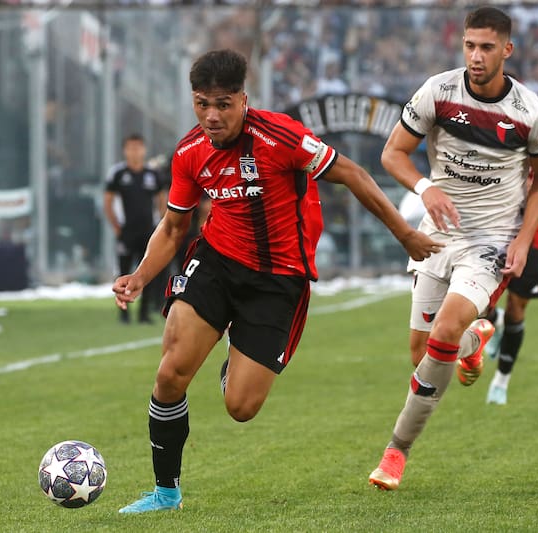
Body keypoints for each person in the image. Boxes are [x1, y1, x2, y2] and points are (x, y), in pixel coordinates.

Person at [112, 48, 440, 513]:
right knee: (170, 373)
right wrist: (140, 276)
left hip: (279, 280)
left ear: (244, 100)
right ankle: (166, 492)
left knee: (241, 408)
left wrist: (405, 234)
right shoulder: (188, 153)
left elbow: (353, 174)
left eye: (223, 104)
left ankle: (235, 359)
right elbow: (172, 227)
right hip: (217, 262)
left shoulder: (280, 136)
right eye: (202, 103)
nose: (212, 115)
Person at [368, 6, 538, 491]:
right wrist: (425, 187)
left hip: (490, 243)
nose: (476, 56)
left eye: (487, 47)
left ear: (507, 50)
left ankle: (395, 452)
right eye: (470, 46)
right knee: (423, 354)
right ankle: (475, 342)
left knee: (445, 330)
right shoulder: (438, 91)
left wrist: (520, 240)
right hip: (437, 238)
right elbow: (392, 154)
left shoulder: (533, 114)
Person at [484, 144, 538, 404]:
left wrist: (528, 191)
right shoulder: (486, 131)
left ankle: (502, 380)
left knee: (516, 308)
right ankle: (494, 320)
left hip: (532, 237)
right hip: (490, 232)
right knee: (477, 303)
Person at [103, 133, 167, 324]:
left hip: (148, 231)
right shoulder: (118, 174)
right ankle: (123, 312)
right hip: (126, 231)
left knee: (145, 272)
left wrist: (161, 223)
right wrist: (116, 225)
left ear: (144, 150)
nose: (135, 151)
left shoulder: (152, 174)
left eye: (138, 147)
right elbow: (108, 202)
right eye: (131, 147)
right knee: (124, 270)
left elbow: (162, 200)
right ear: (125, 150)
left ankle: (143, 313)